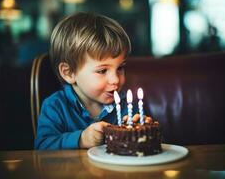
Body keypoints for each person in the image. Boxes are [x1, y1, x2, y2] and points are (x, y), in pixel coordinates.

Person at [35, 12, 152, 150]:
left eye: (120, 68)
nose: (115, 80)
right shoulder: (55, 106)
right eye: (102, 71)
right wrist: (81, 140)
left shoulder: (129, 105)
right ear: (69, 72)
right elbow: (42, 147)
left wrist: (145, 132)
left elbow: (154, 145)